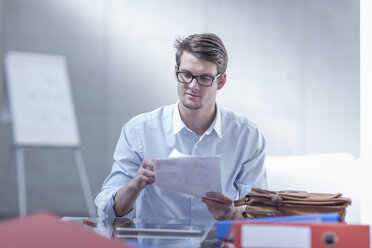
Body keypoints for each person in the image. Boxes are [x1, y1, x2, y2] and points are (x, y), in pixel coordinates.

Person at [95, 33, 267, 224]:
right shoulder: (139, 131)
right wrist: (135, 185)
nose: (193, 86)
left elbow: (260, 212)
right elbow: (108, 213)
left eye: (205, 78)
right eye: (186, 75)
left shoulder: (247, 136)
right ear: (176, 71)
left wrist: (232, 214)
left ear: (221, 81)